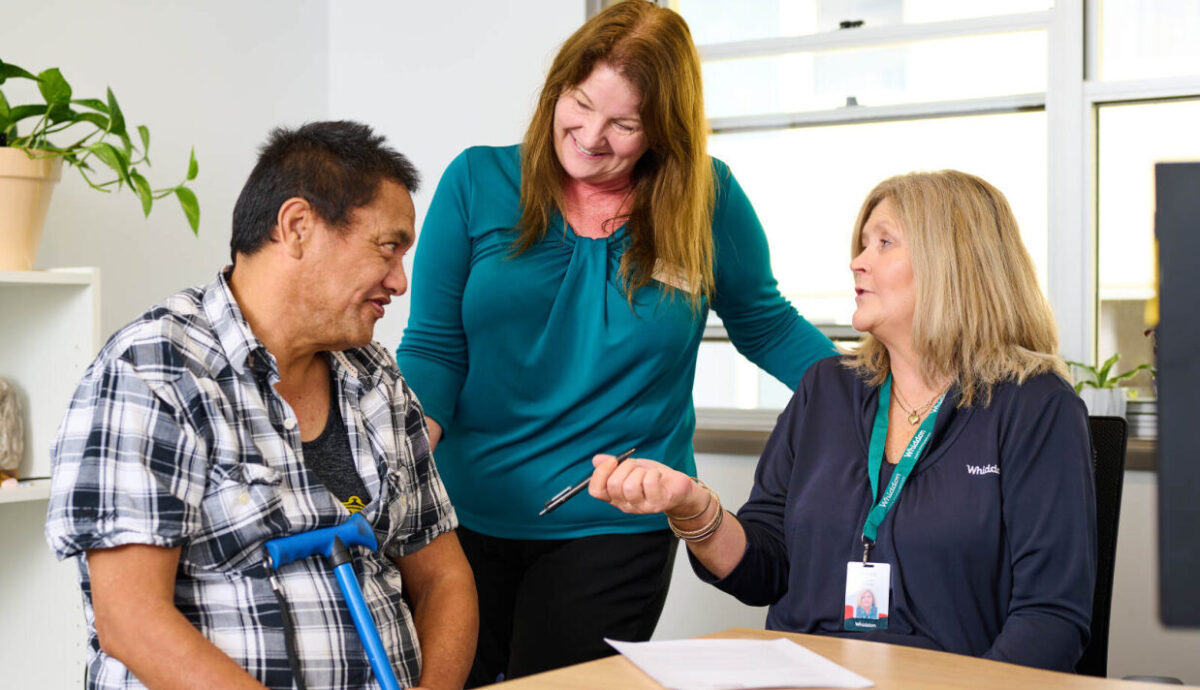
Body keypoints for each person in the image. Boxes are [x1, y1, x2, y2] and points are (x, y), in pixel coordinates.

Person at [395, 1, 835, 683]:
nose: (591, 136)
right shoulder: (477, 182)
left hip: (609, 522)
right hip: (462, 516)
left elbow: (767, 325)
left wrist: (879, 397)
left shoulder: (705, 200)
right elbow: (434, 348)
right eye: (579, 104)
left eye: (624, 124)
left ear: (662, 130)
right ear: (557, 90)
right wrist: (395, 460)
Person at [591, 170, 1097, 672]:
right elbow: (764, 571)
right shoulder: (826, 388)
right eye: (861, 245)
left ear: (954, 263)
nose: (857, 262)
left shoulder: (1036, 406)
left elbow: (1050, 622)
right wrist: (692, 507)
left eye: (884, 243)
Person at [44, 121, 478, 690]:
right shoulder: (153, 369)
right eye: (389, 247)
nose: (400, 282)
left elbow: (444, 577)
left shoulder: (374, 375)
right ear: (297, 227)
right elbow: (130, 620)